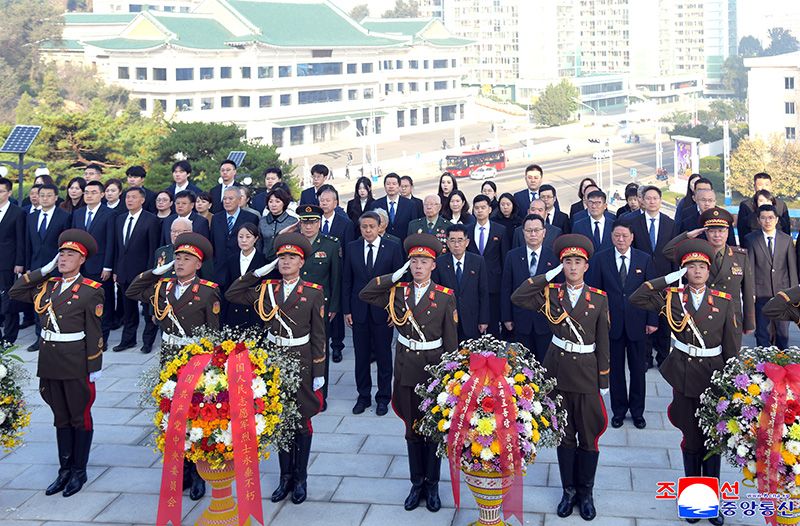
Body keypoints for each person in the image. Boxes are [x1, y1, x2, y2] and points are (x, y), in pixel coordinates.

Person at [630, 239, 737, 525]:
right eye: (691, 267)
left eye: (702, 266)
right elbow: (637, 297)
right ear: (684, 271)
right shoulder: (672, 297)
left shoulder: (724, 302)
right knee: (690, 440)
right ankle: (693, 504)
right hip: (684, 376)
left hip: (713, 378)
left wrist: (732, 388)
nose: (698, 271)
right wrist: (668, 279)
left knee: (712, 442)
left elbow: (732, 348)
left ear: (709, 270)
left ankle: (711, 506)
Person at [511, 234, 609, 521]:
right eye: (568, 262)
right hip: (558, 372)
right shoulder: (552, 293)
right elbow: (518, 297)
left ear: (587, 266)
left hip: (588, 373)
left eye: (578, 262)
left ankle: (586, 492)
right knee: (565, 436)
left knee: (589, 437)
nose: (573, 267)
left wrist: (604, 381)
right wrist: (545, 277)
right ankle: (568, 492)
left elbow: (603, 341)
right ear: (561, 266)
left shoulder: (599, 299)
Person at [359, 233, 458, 513]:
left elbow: (451, 342)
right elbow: (366, 293)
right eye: (414, 261)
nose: (418, 266)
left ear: (433, 265)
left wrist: (450, 379)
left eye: (424, 261)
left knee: (434, 431)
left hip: (432, 371)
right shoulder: (397, 293)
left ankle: (433, 485)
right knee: (412, 430)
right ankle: (417, 483)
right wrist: (394, 275)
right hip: (405, 369)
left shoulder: (445, 297)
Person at [226, 233, 326, 505]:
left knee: (302, 420)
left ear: (301, 262)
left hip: (302, 360)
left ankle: (301, 478)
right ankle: (285, 478)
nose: (285, 262)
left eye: (291, 257)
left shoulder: (313, 293)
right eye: (281, 257)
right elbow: (233, 293)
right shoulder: (267, 288)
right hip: (273, 361)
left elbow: (319, 336)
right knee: (280, 420)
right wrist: (259, 271)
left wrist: (319, 373)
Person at [125, 232, 219, 501]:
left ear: (198, 264)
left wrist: (211, 370)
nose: (180, 263)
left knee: (197, 417)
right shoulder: (162, 287)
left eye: (186, 259)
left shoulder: (207, 291)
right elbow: (132, 291)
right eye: (177, 258)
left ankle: (199, 474)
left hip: (195, 360)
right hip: (169, 358)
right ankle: (183, 473)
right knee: (174, 417)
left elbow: (213, 334)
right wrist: (157, 270)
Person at [10, 229, 104, 497]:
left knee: (79, 415)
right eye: (61, 253)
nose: (63, 258)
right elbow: (16, 291)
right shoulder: (46, 285)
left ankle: (79, 470)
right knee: (59, 415)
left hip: (75, 360)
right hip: (50, 359)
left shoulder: (91, 290)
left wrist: (94, 366)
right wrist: (43, 269)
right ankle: (64, 470)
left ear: (82, 259)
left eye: (70, 254)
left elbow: (95, 331)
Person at [586, 222, 656, 429]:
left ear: (632, 237)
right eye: (617, 236)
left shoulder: (644, 259)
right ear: (612, 237)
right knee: (615, 371)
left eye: (625, 236)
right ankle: (618, 411)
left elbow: (653, 292)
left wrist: (652, 320)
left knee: (638, 370)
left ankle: (637, 412)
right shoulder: (601, 259)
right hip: (611, 325)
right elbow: (595, 293)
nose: (621, 240)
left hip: (638, 324)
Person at [663, 207, 755, 350]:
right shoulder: (695, 252)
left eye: (721, 230)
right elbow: (667, 252)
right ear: (705, 232)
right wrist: (688, 236)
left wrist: (749, 322)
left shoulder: (740, 256)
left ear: (728, 232)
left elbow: (748, 291)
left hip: (730, 319)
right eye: (712, 231)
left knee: (730, 363)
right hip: (702, 315)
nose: (717, 235)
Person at [342, 211, 404, 416]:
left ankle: (384, 397)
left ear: (380, 227)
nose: (367, 230)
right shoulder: (352, 248)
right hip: (358, 311)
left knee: (384, 356)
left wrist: (394, 310)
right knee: (361, 357)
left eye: (371, 226)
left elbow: (398, 283)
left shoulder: (393, 248)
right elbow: (347, 281)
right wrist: (347, 310)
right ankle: (363, 396)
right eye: (364, 227)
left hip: (382, 312)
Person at [296, 204, 341, 406]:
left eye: (313, 222)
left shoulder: (330, 244)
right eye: (305, 222)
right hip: (296, 305)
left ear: (319, 222)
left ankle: (320, 396)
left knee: (320, 348)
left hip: (321, 305)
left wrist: (334, 306)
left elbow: (336, 278)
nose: (308, 226)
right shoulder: (293, 243)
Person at [627, 186, 676, 367]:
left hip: (665, 278)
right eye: (648, 198)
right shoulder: (634, 222)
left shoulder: (670, 223)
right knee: (644, 318)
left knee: (664, 319)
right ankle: (645, 358)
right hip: (642, 278)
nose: (652, 201)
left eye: (655, 198)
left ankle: (663, 358)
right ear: (642, 201)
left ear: (660, 200)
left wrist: (674, 280)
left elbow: (674, 253)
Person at [501, 214, 559, 361]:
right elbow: (506, 288)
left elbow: (559, 290)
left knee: (545, 365)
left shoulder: (554, 257)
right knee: (522, 366)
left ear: (544, 232)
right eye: (529, 230)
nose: (533, 234)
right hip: (521, 319)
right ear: (523, 232)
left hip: (546, 321)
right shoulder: (512, 256)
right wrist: (507, 318)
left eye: (537, 230)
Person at [112, 187, 160, 353]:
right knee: (128, 309)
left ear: (142, 200)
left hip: (144, 273)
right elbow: (118, 248)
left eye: (133, 197)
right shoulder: (120, 219)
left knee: (147, 310)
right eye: (127, 197)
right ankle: (128, 340)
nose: (129, 200)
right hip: (124, 271)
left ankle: (147, 342)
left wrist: (150, 274)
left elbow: (153, 248)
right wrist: (116, 269)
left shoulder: (151, 220)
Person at [743, 204, 798, 349]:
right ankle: (763, 365)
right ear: (759, 220)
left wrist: (793, 293)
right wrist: (751, 292)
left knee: (782, 332)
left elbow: (792, 267)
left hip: (783, 293)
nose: (767, 221)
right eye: (763, 218)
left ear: (777, 219)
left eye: (771, 217)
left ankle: (783, 363)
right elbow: (750, 269)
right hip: (761, 292)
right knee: (762, 332)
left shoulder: (786, 240)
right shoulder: (751, 239)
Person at [25, 183, 71, 352]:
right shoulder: (30, 216)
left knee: (56, 302)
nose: (44, 198)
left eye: (48, 195)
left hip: (57, 266)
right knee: (39, 301)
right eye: (42, 195)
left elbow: (66, 243)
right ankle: (40, 336)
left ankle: (57, 334)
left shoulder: (64, 216)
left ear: (56, 197)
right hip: (36, 266)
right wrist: (27, 265)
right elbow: (27, 243)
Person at [71, 181, 115, 350]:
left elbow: (111, 241)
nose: (89, 195)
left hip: (100, 266)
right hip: (81, 266)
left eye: (93, 192)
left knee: (101, 303)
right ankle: (85, 336)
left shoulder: (109, 214)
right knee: (82, 302)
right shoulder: (78, 213)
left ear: (102, 195)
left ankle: (102, 339)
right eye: (86, 192)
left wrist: (108, 266)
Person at [433, 223, 489, 340]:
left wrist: (483, 320)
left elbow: (483, 292)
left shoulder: (478, 261)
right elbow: (436, 294)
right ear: (447, 243)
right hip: (447, 320)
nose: (456, 244)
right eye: (452, 240)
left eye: (460, 240)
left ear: (467, 242)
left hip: (472, 319)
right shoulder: (440, 263)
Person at [467, 194, 508, 336]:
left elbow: (504, 259)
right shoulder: (467, 229)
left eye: (483, 207)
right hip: (472, 284)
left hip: (493, 284)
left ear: (490, 209)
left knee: (493, 327)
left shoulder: (500, 230)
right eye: (476, 208)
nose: (479, 211)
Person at [210, 186, 259, 284]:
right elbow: (212, 242)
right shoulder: (216, 218)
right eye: (224, 198)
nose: (227, 201)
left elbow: (255, 244)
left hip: (240, 268)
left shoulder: (251, 218)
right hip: (219, 268)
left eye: (230, 198)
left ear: (240, 199)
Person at [223, 223, 266, 330]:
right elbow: (227, 286)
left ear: (256, 239)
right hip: (233, 310)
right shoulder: (231, 260)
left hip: (254, 311)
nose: (244, 240)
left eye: (248, 237)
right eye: (240, 237)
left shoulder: (263, 261)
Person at [0, 177, 25, 343]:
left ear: (9, 192)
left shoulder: (17, 212)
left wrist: (19, 262)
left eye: (1, 191)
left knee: (8, 300)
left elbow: (20, 240)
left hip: (8, 263)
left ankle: (9, 337)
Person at [737, 172, 791, 241]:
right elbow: (742, 230)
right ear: (754, 186)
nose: (763, 188)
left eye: (766, 185)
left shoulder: (781, 204)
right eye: (760, 185)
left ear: (771, 186)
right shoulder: (745, 205)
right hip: (753, 243)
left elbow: (786, 229)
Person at [369, 173, 416, 241]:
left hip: (404, 245)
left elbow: (413, 227)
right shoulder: (375, 204)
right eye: (388, 184)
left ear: (399, 186)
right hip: (383, 244)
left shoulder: (410, 204)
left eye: (394, 184)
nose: (391, 186)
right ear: (384, 186)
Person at [259, 187, 298, 262]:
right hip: (264, 261)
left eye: (277, 201)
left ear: (284, 203)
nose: (273, 205)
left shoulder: (292, 221)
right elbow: (259, 244)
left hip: (285, 261)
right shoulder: (262, 221)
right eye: (270, 202)